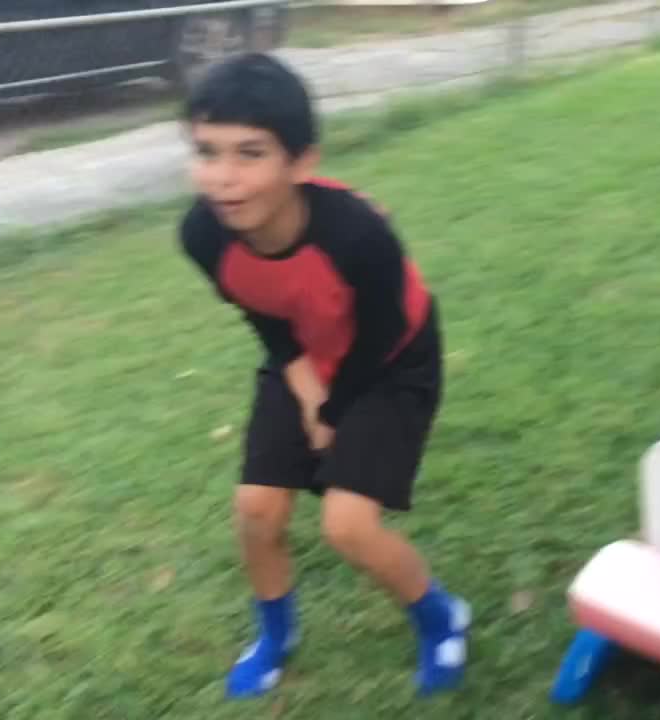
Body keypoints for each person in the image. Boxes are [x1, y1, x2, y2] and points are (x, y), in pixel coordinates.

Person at [176, 52, 469, 699]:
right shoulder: (202, 234)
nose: (223, 178)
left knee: (349, 526)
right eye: (207, 151)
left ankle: (441, 616)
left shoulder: (358, 233)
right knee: (255, 508)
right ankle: (275, 637)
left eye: (250, 154)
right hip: (306, 351)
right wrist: (306, 390)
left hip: (392, 361)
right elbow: (267, 317)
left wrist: (333, 414)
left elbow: (385, 334)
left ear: (302, 162)